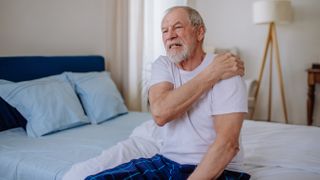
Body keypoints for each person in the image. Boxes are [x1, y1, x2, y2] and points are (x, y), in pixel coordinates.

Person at [85, 6, 250, 180]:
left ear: (200, 32)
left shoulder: (227, 68)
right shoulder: (164, 65)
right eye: (164, 30)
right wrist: (211, 74)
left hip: (219, 169)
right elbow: (160, 113)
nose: (170, 35)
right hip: (167, 161)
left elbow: (228, 145)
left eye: (178, 27)